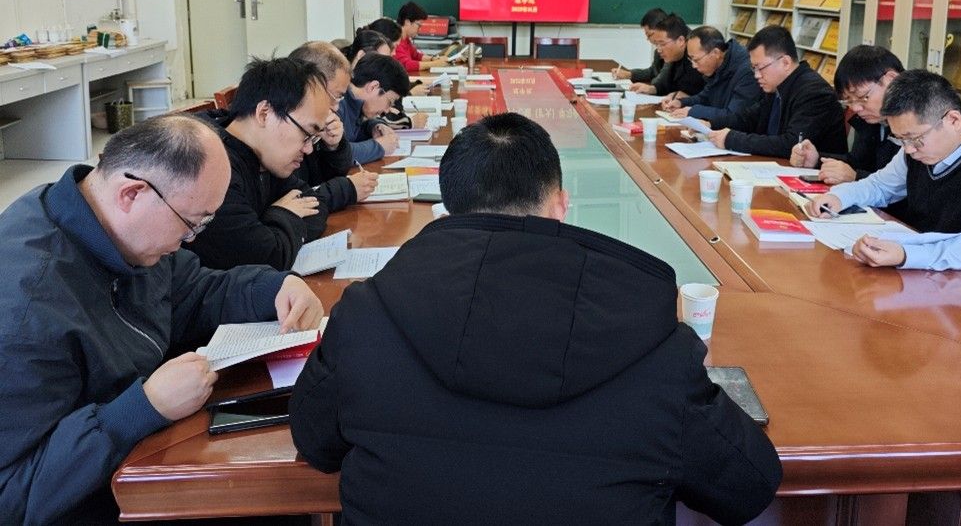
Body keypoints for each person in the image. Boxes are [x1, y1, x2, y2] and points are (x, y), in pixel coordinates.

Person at [290, 112, 782, 526]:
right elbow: (749, 486)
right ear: (561, 205)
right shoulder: (655, 343)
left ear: (448, 212)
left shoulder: (364, 315)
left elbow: (315, 442)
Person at [0, 115, 323, 524]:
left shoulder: (119, 231)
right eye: (190, 224)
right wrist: (142, 407)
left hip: (144, 452)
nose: (191, 240)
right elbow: (13, 494)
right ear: (132, 193)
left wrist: (274, 287)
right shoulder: (26, 312)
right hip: (98, 495)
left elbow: (192, 290)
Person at [807, 70, 961, 284]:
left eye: (914, 138)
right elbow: (881, 186)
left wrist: (906, 254)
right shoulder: (916, 150)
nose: (908, 149)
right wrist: (839, 197)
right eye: (901, 139)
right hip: (929, 277)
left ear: (953, 120)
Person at [193, 57, 377, 272]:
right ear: (264, 113)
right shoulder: (208, 167)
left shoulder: (264, 157)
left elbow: (316, 205)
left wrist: (270, 226)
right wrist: (282, 214)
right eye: (306, 134)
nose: (308, 149)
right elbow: (267, 257)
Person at [706, 26, 846, 158]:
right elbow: (748, 118)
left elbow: (791, 144)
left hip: (815, 173)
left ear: (785, 62)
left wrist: (732, 139)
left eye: (760, 68)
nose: (756, 75)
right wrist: (709, 123)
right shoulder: (777, 85)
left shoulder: (815, 93)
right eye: (753, 68)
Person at [791, 45, 904, 185]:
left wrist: (856, 177)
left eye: (862, 97)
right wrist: (816, 159)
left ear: (891, 80)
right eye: (849, 101)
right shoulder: (872, 119)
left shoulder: (915, 123)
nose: (856, 108)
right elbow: (858, 162)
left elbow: (907, 188)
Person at [660, 25, 761, 124]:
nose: (694, 66)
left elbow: (735, 116)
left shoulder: (748, 71)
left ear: (716, 53)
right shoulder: (720, 64)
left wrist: (694, 111)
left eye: (696, 60)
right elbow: (705, 97)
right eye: (691, 60)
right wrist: (681, 102)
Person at [289, 41, 356, 187]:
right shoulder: (283, 125)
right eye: (335, 96)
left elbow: (320, 180)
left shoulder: (311, 124)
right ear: (311, 84)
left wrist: (333, 147)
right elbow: (299, 194)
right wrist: (348, 190)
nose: (336, 107)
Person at [336, 52, 412, 162]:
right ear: (373, 87)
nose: (387, 110)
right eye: (389, 102)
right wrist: (379, 146)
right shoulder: (337, 103)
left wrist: (375, 126)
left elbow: (354, 134)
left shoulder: (356, 103)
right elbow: (338, 155)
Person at [628, 13, 705, 97]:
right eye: (657, 44)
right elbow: (666, 85)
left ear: (680, 41)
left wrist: (689, 99)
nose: (659, 50)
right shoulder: (674, 56)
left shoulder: (697, 59)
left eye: (663, 44)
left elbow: (707, 95)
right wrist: (652, 89)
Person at [611, 6, 667, 83]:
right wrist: (629, 74)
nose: (648, 39)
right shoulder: (658, 51)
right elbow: (652, 72)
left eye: (649, 35)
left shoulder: (678, 52)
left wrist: (652, 87)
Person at [394, 0, 445, 73]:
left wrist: (433, 59)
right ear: (407, 22)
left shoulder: (406, 39)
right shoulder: (395, 41)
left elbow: (416, 56)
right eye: (419, 25)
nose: (420, 29)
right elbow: (406, 65)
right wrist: (434, 64)